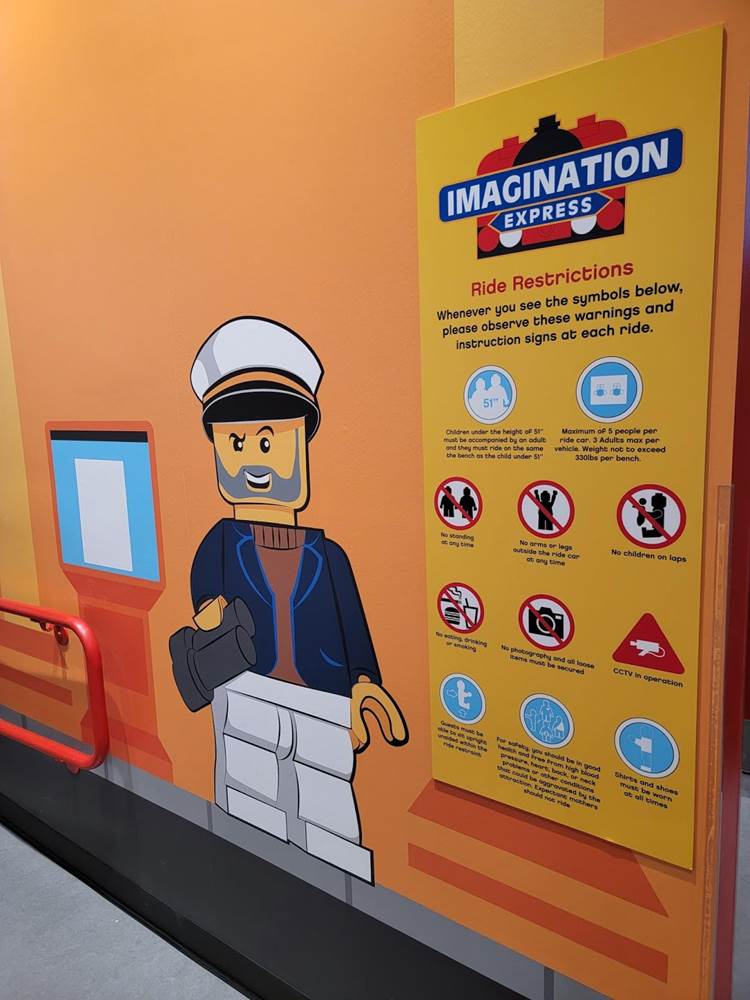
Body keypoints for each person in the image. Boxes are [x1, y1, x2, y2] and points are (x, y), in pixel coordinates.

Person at [168, 316, 408, 883]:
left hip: (324, 705)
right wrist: (209, 613)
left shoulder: (331, 557)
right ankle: (254, 885)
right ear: (217, 451)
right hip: (245, 692)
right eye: (236, 443)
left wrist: (363, 683)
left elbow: (353, 629)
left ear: (302, 443)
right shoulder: (221, 542)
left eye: (269, 440)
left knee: (330, 818)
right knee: (249, 797)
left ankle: (338, 901)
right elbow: (204, 593)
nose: (254, 458)